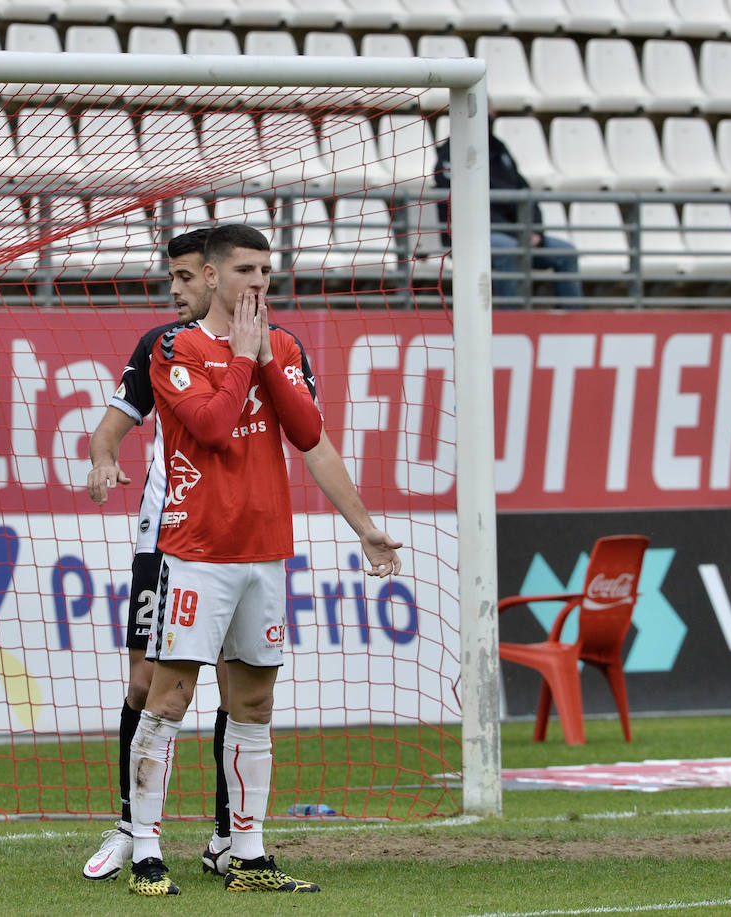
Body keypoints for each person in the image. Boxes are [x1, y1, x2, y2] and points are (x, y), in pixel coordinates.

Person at [83, 228, 402, 888]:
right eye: (246, 269)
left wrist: (365, 526)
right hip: (194, 552)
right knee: (165, 696)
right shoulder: (171, 347)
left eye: (265, 268)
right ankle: (143, 846)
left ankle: (246, 851)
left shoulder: (283, 346)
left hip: (265, 552)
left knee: (253, 704)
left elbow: (310, 438)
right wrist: (243, 360)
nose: (260, 280)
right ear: (211, 275)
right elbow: (212, 427)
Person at [432, 109, 582, 305]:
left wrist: (535, 230)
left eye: (491, 110)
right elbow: (466, 210)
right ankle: (510, 318)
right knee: (508, 249)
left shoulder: (499, 149)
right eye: (486, 109)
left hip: (518, 233)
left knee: (566, 253)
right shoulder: (450, 155)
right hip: (472, 237)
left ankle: (572, 319)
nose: (491, 115)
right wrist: (518, 233)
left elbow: (525, 192)